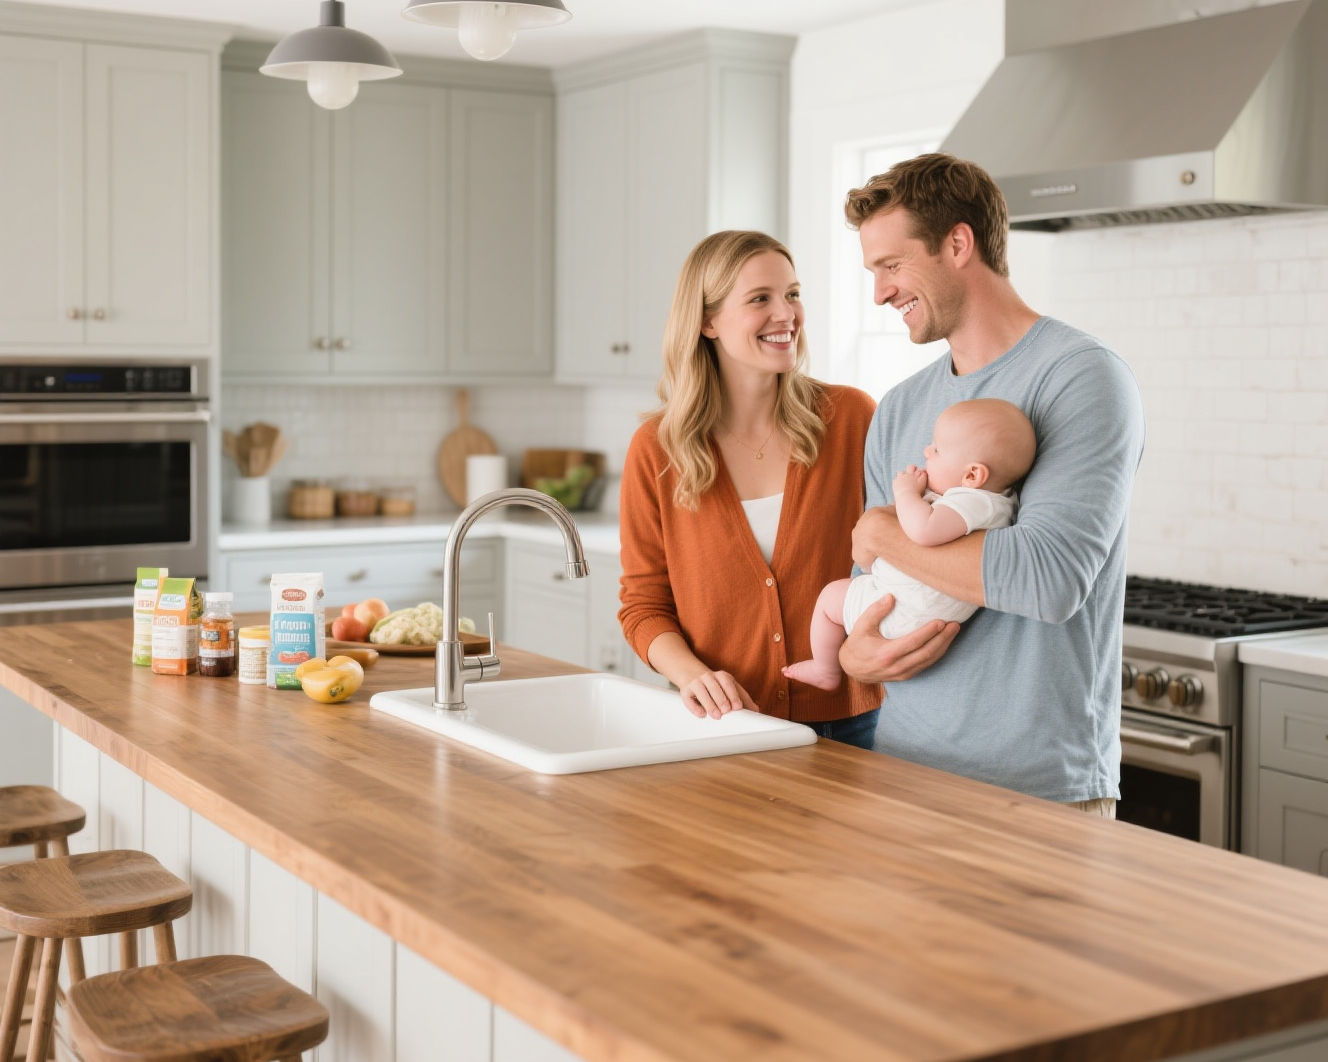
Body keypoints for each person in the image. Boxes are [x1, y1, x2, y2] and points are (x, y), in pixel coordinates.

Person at [839, 153, 1145, 813]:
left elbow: (1046, 579)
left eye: (892, 267)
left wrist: (887, 530)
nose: (881, 293)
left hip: (1038, 792)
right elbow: (872, 573)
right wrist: (853, 656)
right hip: (902, 776)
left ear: (958, 244)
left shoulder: (1080, 378)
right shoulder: (897, 408)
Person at [617, 230, 887, 748]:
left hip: (849, 724)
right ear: (707, 321)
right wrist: (692, 675)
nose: (786, 313)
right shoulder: (658, 449)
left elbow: (895, 559)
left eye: (792, 294)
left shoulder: (851, 418)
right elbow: (643, 606)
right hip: (724, 728)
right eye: (760, 299)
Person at [782, 398, 1035, 691]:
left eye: (937, 450)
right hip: (915, 613)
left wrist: (905, 493)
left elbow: (922, 530)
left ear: (972, 475)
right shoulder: (998, 502)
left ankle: (824, 668)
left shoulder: (971, 502)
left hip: (900, 612)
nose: (927, 451)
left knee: (829, 599)